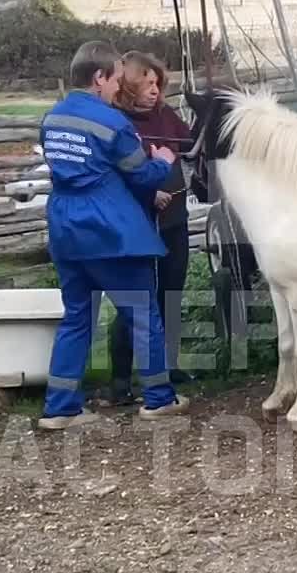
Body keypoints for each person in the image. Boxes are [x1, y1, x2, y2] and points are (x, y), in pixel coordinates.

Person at [36, 40, 190, 429]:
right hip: (110, 232)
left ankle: (60, 408)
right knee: (143, 315)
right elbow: (141, 174)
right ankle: (158, 399)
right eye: (115, 80)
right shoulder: (112, 123)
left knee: (76, 318)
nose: (117, 88)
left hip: (66, 230)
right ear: (99, 77)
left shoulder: (52, 120)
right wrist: (163, 162)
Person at [97, 51, 195, 408]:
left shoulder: (165, 115)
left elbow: (187, 147)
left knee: (171, 291)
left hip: (174, 218)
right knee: (135, 299)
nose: (154, 90)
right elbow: (114, 172)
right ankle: (121, 378)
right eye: (147, 83)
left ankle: (165, 369)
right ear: (129, 83)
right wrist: (148, 190)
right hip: (136, 221)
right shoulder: (116, 122)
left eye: (158, 83)